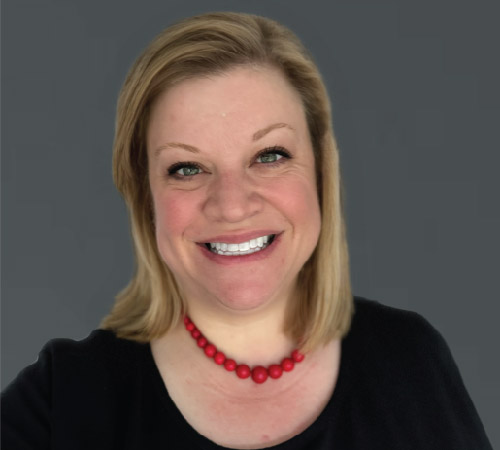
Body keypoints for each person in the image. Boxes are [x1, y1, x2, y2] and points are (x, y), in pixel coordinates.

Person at [1, 11, 492, 450]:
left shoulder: (409, 362)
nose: (232, 205)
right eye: (187, 168)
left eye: (270, 156)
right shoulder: (64, 400)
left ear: (321, 172)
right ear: (143, 193)